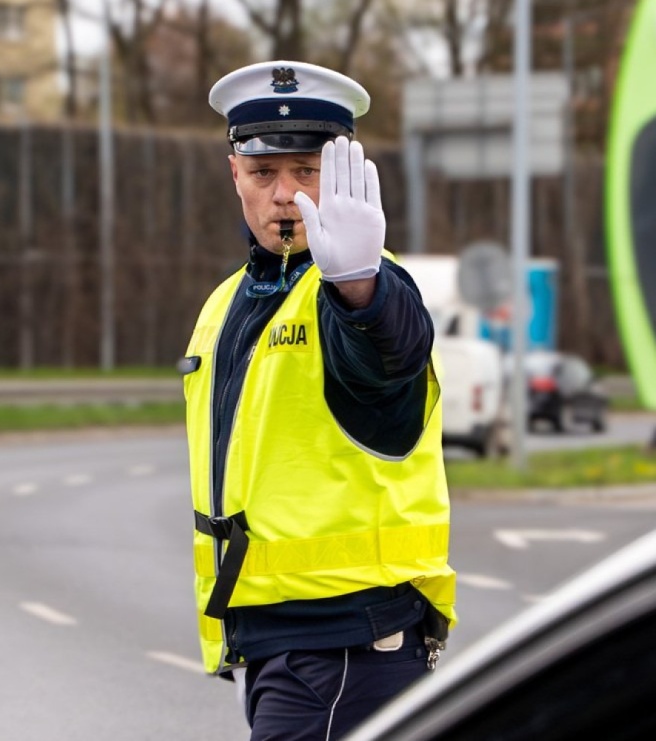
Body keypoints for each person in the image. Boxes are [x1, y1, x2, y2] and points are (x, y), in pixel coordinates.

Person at [179, 59, 457, 740]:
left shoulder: (361, 284)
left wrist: (360, 289)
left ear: (343, 176)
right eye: (264, 172)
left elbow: (391, 354)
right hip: (281, 637)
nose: (284, 195)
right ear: (233, 173)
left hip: (349, 640)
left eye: (307, 172)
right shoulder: (227, 303)